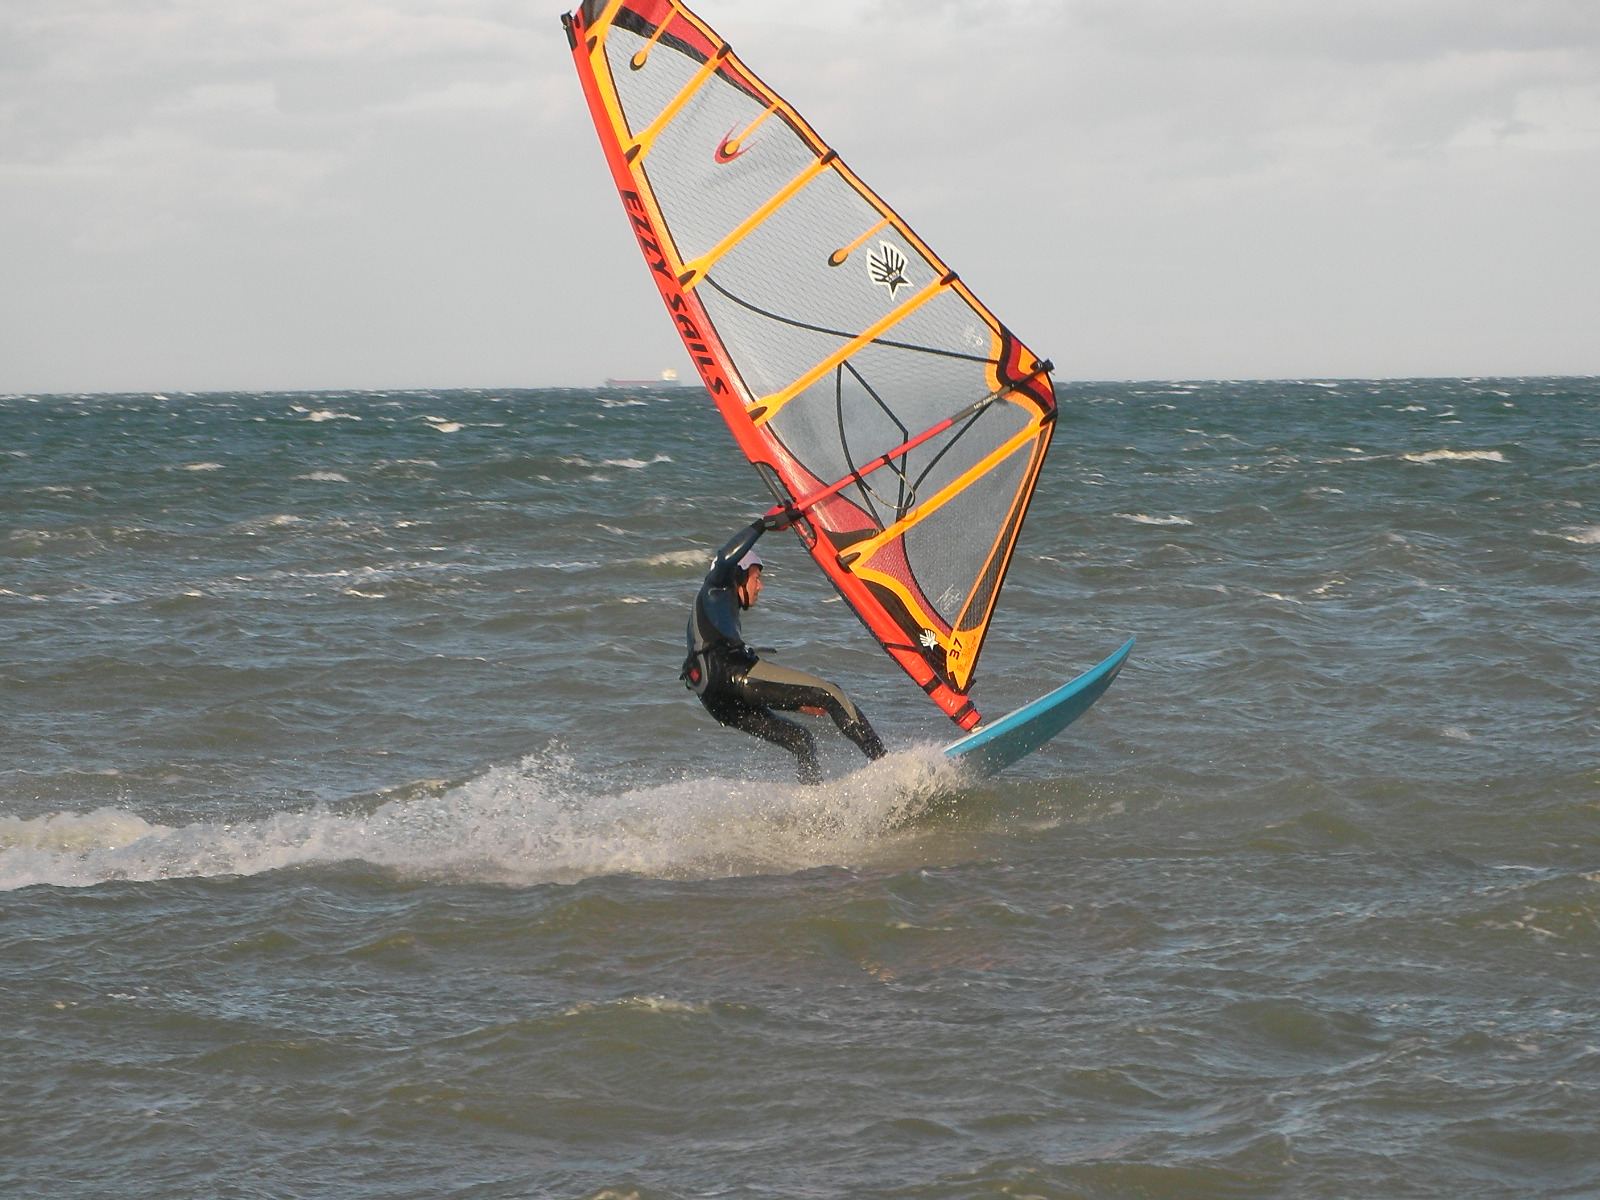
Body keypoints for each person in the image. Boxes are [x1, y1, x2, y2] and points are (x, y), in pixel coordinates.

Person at [682, 511, 887, 784]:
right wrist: (762, 525)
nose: (760, 587)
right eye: (756, 578)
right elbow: (723, 560)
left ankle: (812, 797)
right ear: (739, 575)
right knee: (831, 694)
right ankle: (886, 764)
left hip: (712, 696)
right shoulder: (716, 587)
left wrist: (797, 702)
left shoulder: (714, 610)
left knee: (800, 739)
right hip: (728, 670)